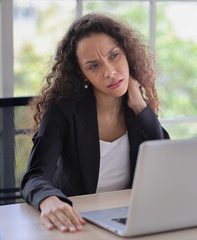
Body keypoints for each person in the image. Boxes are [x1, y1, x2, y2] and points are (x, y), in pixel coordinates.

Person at [21, 13, 170, 233]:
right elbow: (35, 176)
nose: (110, 72)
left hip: (128, 219)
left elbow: (165, 166)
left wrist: (141, 108)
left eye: (114, 56)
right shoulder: (63, 111)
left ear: (127, 54)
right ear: (81, 74)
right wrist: (50, 201)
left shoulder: (137, 107)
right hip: (78, 222)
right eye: (93, 66)